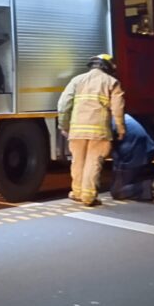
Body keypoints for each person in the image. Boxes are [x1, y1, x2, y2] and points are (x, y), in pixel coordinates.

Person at [58, 54, 126, 207]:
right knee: (93, 162)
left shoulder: (77, 80)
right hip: (99, 131)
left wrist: (64, 125)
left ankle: (77, 192)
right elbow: (118, 108)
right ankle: (88, 197)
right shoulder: (112, 82)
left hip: (76, 130)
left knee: (77, 161)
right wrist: (120, 128)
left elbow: (63, 104)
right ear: (108, 67)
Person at [110, 114, 154, 203]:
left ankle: (152, 186)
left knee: (117, 192)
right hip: (147, 148)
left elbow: (103, 150)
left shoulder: (106, 123)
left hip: (134, 153)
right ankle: (146, 178)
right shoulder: (119, 115)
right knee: (119, 181)